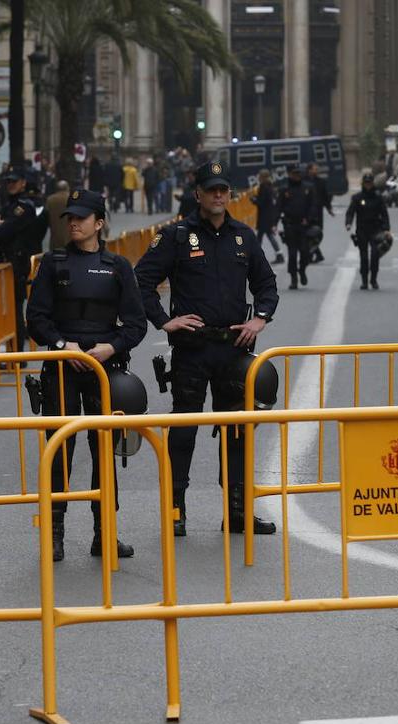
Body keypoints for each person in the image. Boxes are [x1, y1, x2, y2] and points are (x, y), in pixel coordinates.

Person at [134, 161, 280, 537]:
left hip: (233, 349)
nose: (218, 196)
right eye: (210, 189)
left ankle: (236, 512)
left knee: (236, 431)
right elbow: (141, 282)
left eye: (223, 189)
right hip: (191, 350)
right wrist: (165, 321)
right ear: (197, 193)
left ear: (230, 193)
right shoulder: (176, 237)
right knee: (184, 431)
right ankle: (175, 509)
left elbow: (267, 285)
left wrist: (259, 319)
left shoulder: (243, 237)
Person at [26, 189, 147, 561]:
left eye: (81, 218)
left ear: (100, 222)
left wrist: (110, 347)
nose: (74, 224)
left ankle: (105, 533)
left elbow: (136, 323)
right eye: (69, 219)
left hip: (104, 369)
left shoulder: (118, 266)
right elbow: (36, 319)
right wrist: (64, 345)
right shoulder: (52, 262)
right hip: (63, 368)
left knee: (104, 453)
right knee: (60, 450)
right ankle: (56, 535)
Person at [0, 165, 40, 351]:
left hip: (17, 263)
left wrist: (0, 226)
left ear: (23, 183)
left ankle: (17, 352)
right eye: (8, 181)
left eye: (14, 181)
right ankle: (13, 350)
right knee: (8, 309)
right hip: (7, 262)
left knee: (15, 308)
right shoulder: (10, 205)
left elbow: (4, 231)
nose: (10, 185)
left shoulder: (23, 206)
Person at [345, 173, 391, 291]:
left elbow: (384, 214)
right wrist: (348, 223)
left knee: (375, 255)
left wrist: (386, 229)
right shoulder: (357, 198)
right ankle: (364, 280)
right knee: (364, 257)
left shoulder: (378, 197)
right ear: (363, 184)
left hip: (375, 229)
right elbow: (351, 212)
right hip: (362, 230)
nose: (368, 185)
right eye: (366, 183)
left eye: (370, 183)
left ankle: (374, 279)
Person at [279, 164, 319, 289]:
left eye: (298, 173)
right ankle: (293, 278)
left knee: (305, 252)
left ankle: (302, 270)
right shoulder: (284, 189)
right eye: (294, 173)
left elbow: (313, 205)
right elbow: (278, 207)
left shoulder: (308, 187)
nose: (297, 175)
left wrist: (309, 219)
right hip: (290, 225)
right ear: (290, 174)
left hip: (304, 225)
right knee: (292, 253)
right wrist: (273, 224)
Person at [251, 169, 283, 264]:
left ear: (263, 177)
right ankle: (258, 256)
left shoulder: (264, 187)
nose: (259, 178)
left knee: (265, 236)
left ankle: (257, 257)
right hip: (269, 215)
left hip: (264, 216)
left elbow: (262, 202)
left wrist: (254, 200)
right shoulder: (270, 186)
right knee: (262, 237)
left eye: (260, 176)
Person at [305, 163, 334, 263]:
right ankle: (314, 255)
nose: (316, 171)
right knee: (308, 233)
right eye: (314, 169)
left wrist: (329, 208)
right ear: (309, 170)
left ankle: (314, 254)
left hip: (318, 210)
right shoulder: (304, 181)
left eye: (317, 169)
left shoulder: (321, 181)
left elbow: (325, 196)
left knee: (317, 233)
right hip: (307, 211)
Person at [45, 180, 71, 251]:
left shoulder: (50, 199)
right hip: (70, 236)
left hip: (55, 235)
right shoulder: (71, 199)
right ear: (67, 188)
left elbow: (46, 216)